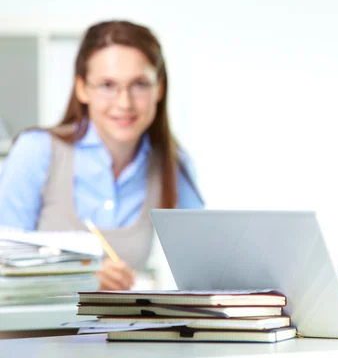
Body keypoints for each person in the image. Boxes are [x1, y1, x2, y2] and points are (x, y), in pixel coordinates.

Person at [0, 20, 204, 290]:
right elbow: (4, 262)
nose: (124, 103)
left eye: (140, 84)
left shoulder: (172, 164)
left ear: (160, 88)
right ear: (82, 88)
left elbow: (207, 266)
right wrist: (78, 274)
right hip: (36, 332)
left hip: (118, 331)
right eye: (108, 85)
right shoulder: (35, 151)